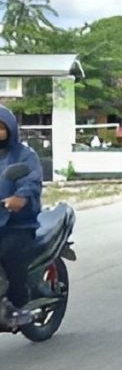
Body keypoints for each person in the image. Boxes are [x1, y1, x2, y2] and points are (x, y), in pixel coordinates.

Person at [0, 105, 43, 320]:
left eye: (0, 127)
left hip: (17, 223)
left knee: (9, 254)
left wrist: (20, 197)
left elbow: (32, 181)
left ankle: (18, 305)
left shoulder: (24, 155)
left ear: (10, 129)